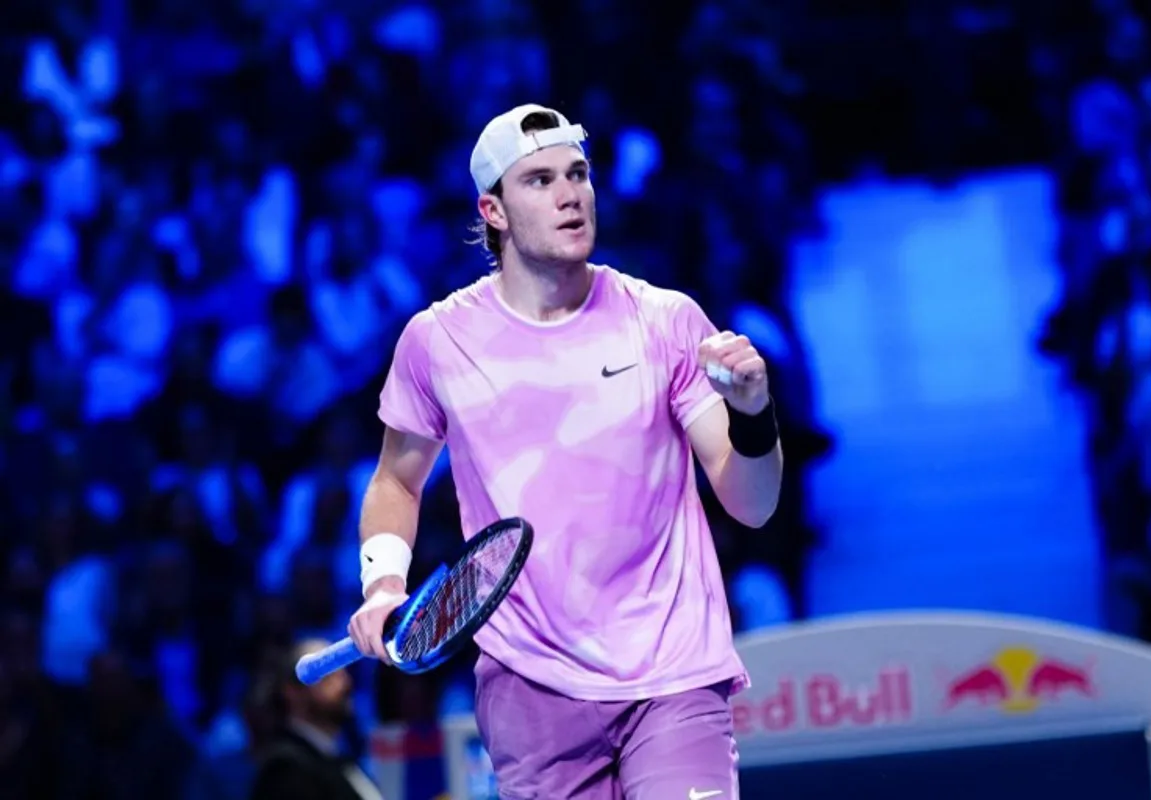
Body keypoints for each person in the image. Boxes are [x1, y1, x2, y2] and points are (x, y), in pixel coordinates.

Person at [347, 103, 783, 799]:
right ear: (493, 210)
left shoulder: (666, 322)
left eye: (578, 174)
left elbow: (752, 505)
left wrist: (754, 414)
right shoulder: (436, 343)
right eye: (541, 180)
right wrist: (382, 587)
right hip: (530, 688)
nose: (570, 193)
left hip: (673, 672)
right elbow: (396, 483)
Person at [251, 639, 383, 800]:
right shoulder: (286, 768)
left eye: (343, 674)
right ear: (292, 692)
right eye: (329, 676)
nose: (345, 684)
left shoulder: (337, 756)